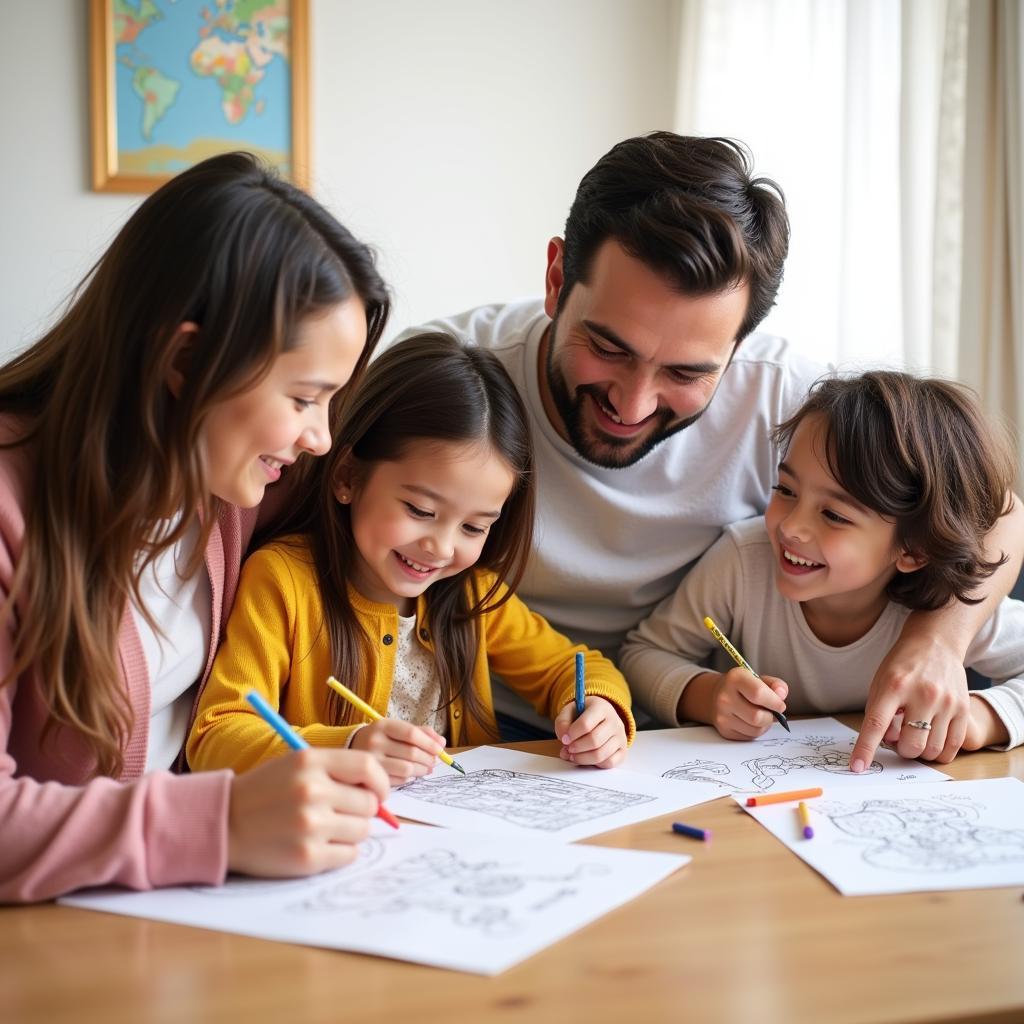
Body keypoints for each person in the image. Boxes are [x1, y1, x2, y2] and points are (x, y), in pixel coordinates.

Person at [400, 131, 1024, 766]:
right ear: (558, 278)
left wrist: (939, 640)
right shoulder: (450, 382)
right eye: (610, 349)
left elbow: (995, 509)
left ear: (740, 344)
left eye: (687, 373)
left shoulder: (788, 400)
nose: (633, 405)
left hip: (684, 738)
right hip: (485, 716)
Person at [0, 152, 393, 903]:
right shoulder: (12, 507)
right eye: (306, 398)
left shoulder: (233, 481)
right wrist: (225, 822)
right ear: (186, 358)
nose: (320, 438)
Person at [187, 334, 635, 782]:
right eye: (420, 511)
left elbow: (574, 666)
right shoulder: (283, 580)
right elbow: (216, 736)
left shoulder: (470, 593)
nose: (440, 548)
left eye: (474, 527)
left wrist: (599, 707)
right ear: (348, 476)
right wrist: (347, 746)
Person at [621, 371, 1024, 753]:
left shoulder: (946, 605)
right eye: (786, 489)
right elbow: (643, 654)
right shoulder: (744, 561)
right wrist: (707, 696)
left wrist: (980, 720)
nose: (791, 527)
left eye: (834, 515)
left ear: (914, 551)